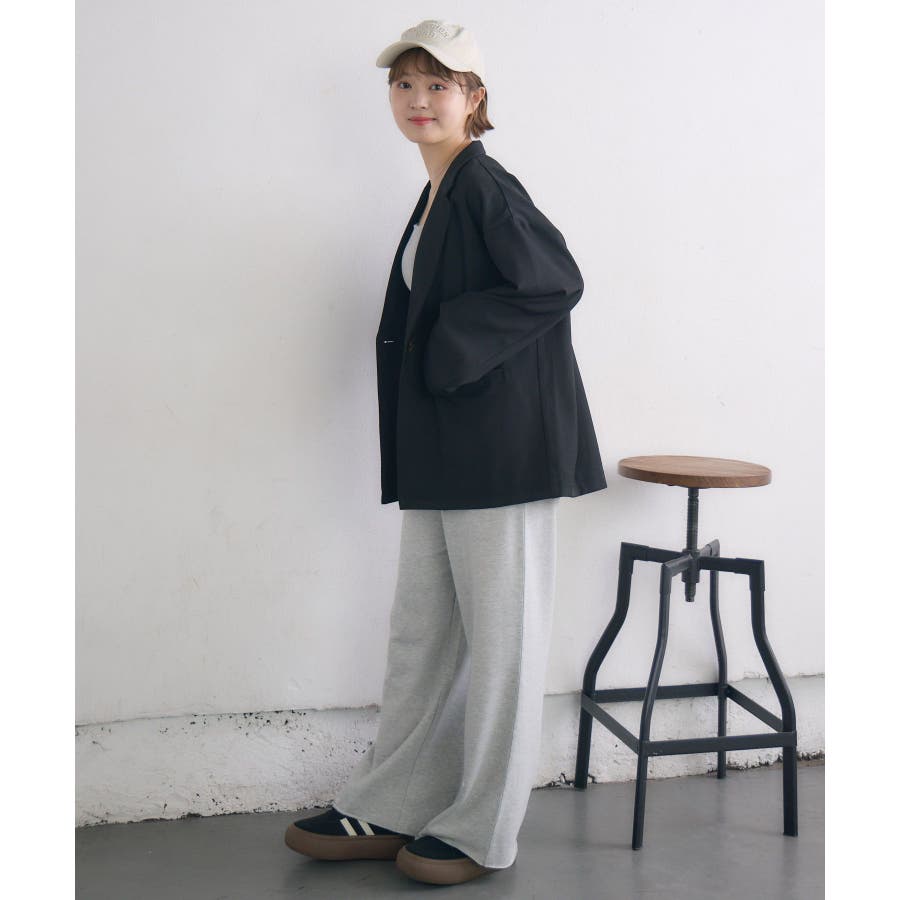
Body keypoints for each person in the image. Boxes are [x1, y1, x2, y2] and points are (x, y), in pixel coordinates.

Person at [284, 19, 607, 886]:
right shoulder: (438, 192)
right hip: (447, 449)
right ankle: (391, 802)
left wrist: (444, 348)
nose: (419, 99)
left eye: (439, 84)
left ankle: (481, 829)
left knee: (502, 647)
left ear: (475, 98)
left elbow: (555, 281)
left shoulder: (485, 185)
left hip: (501, 453)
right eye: (405, 84)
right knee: (422, 634)